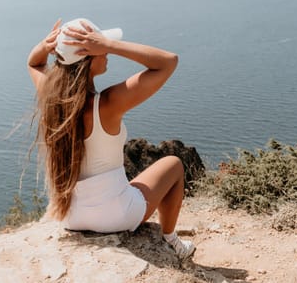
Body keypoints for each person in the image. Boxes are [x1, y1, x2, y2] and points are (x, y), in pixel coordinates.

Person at [27, 18, 195, 260]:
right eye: (101, 49)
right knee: (174, 164)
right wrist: (110, 45)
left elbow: (34, 63)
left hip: (69, 216)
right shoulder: (107, 104)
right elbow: (168, 62)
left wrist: (46, 45)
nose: (106, 52)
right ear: (88, 58)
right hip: (115, 216)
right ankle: (171, 241)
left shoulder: (52, 98)